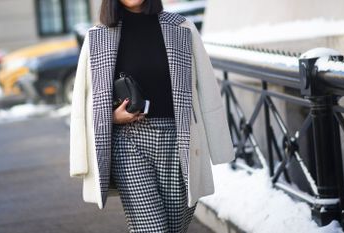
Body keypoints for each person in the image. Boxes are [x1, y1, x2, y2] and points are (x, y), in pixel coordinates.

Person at [69, 0, 235, 232]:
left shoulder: (182, 28)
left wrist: (220, 146)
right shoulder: (98, 37)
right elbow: (84, 102)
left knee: (175, 226)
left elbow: (207, 87)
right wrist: (111, 117)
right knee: (152, 229)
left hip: (179, 141)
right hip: (128, 143)